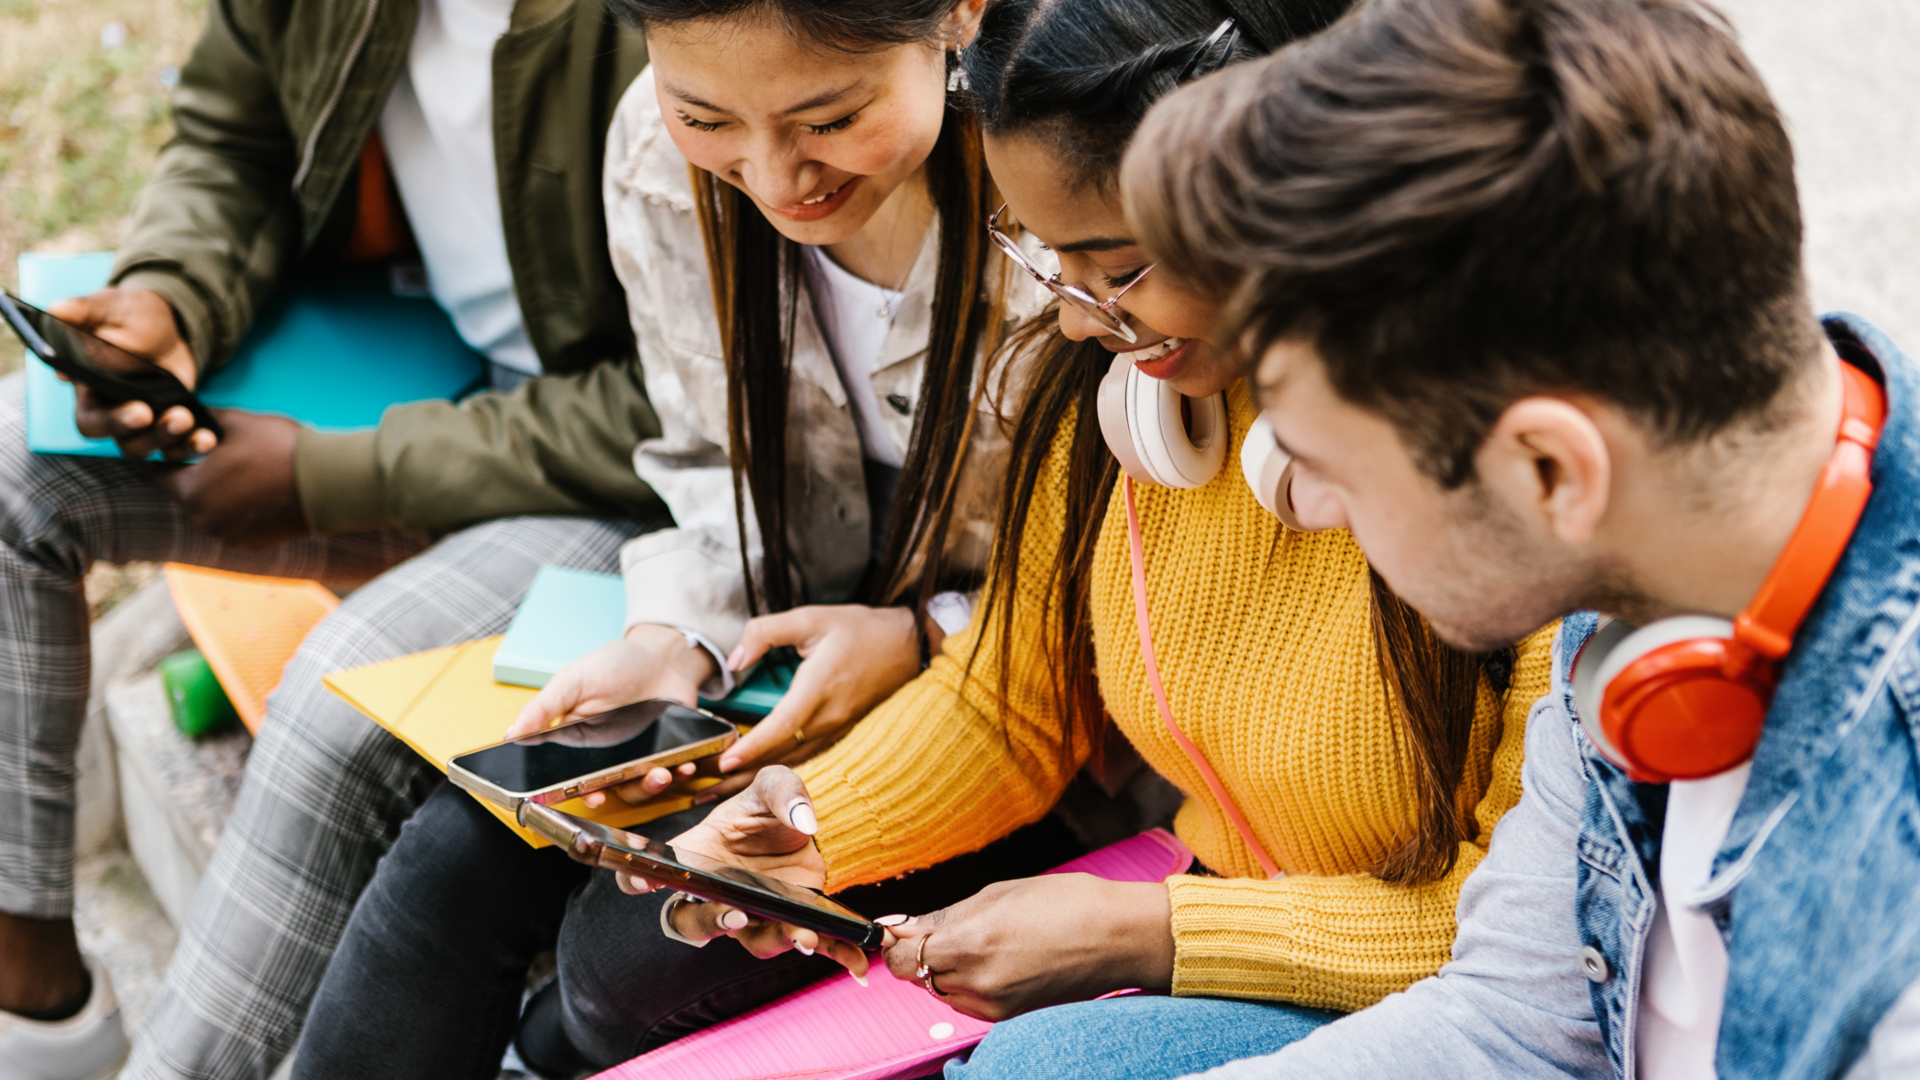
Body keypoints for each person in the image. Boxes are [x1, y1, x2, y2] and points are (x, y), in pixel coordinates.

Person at [640, 3, 1560, 1078]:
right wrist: (814, 826)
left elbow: (1525, 946)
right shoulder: (1121, 405)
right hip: (1219, 914)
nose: (1078, 318)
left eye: (1119, 270)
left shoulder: (1519, 481)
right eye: (1045, 255)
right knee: (631, 964)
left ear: (1300, 202)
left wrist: (1146, 934)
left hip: (1451, 996)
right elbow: (1008, 702)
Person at [284, 1, 1105, 1076]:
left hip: (1019, 714)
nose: (773, 178)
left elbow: (1126, 577)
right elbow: (705, 452)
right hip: (786, 676)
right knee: (461, 851)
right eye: (707, 115)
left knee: (627, 960)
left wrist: (925, 635)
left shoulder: (1059, 196)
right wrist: (680, 636)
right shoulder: (657, 161)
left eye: (829, 116)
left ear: (957, 12)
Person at [1118, 0, 1920, 1077]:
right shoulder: (1646, 583)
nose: (1300, 503)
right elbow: (1506, 1024)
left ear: (1549, 470)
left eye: (1331, 461)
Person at [0, 4, 659, 1080]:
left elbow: (699, 403)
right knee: (16, 474)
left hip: (633, 485)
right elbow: (233, 137)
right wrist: (175, 293)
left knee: (338, 693)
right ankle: (35, 1004)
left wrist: (325, 479)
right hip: (422, 371)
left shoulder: (660, 33)